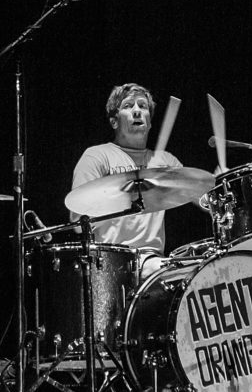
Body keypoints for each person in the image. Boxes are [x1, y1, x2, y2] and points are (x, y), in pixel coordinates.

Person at [67, 83, 182, 271]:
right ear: (114, 122)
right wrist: (123, 196)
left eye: (143, 106)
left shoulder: (164, 161)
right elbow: (79, 223)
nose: (137, 111)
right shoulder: (97, 156)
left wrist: (217, 182)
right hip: (111, 262)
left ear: (150, 122)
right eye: (128, 106)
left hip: (153, 259)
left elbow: (202, 198)